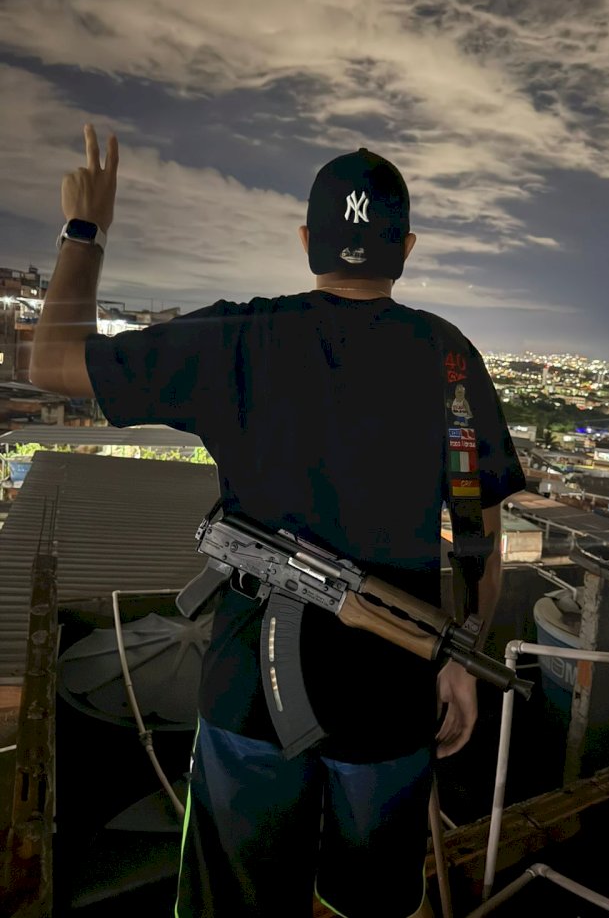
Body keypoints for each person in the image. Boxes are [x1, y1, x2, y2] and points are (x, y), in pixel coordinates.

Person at [30, 125, 526, 918]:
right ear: (406, 248)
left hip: (246, 697)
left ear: (306, 241)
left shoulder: (240, 336)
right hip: (391, 697)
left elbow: (52, 361)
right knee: (373, 905)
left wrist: (84, 231)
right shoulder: (449, 356)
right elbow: (479, 536)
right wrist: (460, 657)